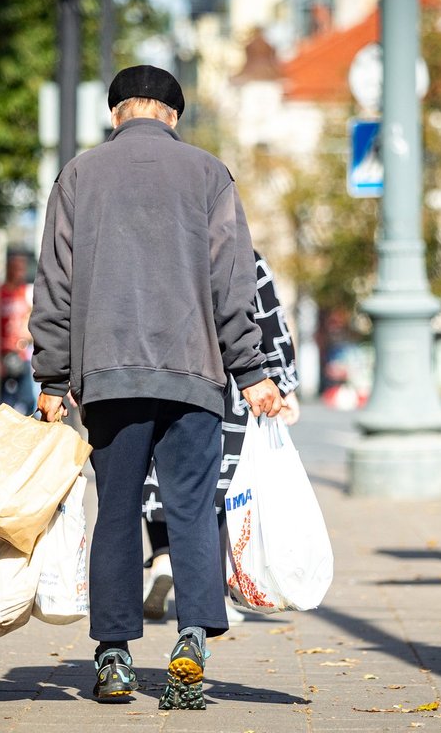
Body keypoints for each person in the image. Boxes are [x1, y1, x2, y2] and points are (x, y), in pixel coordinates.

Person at [30, 65, 282, 710]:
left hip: (109, 376)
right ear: (172, 114)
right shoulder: (209, 175)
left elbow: (55, 283)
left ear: (117, 112)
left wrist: (53, 377)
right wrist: (251, 371)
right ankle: (191, 640)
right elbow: (234, 282)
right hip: (194, 373)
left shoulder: (79, 176)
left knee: (115, 512)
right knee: (192, 509)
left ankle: (114, 658)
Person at [141, 250, 301, 626]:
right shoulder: (240, 254)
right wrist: (282, 382)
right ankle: (212, 592)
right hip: (225, 384)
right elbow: (267, 318)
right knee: (215, 483)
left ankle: (163, 558)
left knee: (157, 474)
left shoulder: (151, 249)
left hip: (151, 376)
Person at [0, 252, 37, 414]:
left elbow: (32, 318)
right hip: (3, 353)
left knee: (28, 399)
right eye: (16, 269)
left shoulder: (25, 292)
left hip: (21, 354)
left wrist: (26, 334)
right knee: (5, 401)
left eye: (22, 269)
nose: (20, 273)